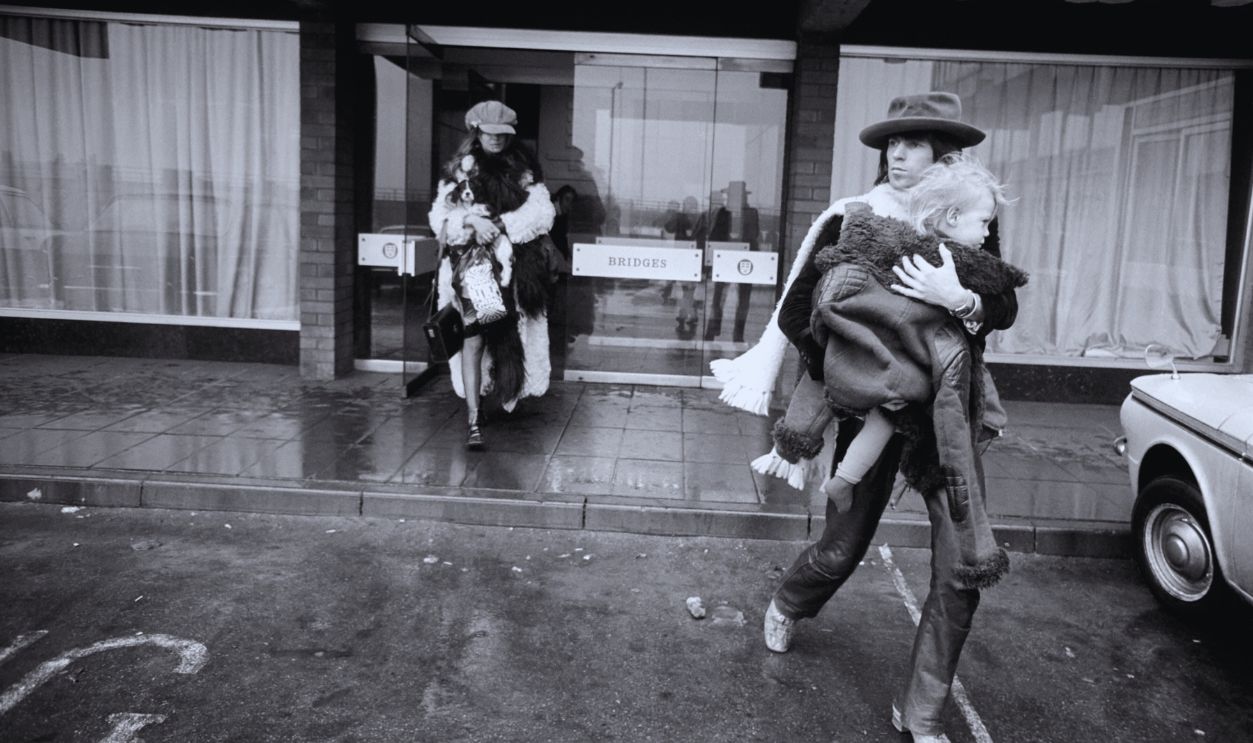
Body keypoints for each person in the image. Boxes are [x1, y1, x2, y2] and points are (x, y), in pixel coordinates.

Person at [720, 92, 1018, 743]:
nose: (897, 154)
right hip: (873, 408)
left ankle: (920, 715)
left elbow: (1000, 306)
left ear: (945, 156)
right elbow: (799, 315)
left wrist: (960, 299)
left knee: (961, 568)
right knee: (842, 545)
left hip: (948, 418)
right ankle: (788, 600)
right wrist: (869, 365)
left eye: (914, 144)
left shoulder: (971, 218)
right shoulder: (853, 220)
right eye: (891, 143)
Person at [428, 100, 555, 448]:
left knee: (508, 332)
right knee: (475, 337)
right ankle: (473, 416)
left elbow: (542, 213)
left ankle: (507, 391)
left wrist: (499, 224)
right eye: (489, 133)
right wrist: (471, 221)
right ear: (476, 132)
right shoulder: (460, 171)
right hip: (476, 269)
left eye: (503, 134)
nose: (496, 140)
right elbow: (440, 219)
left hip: (515, 272)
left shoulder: (525, 171)